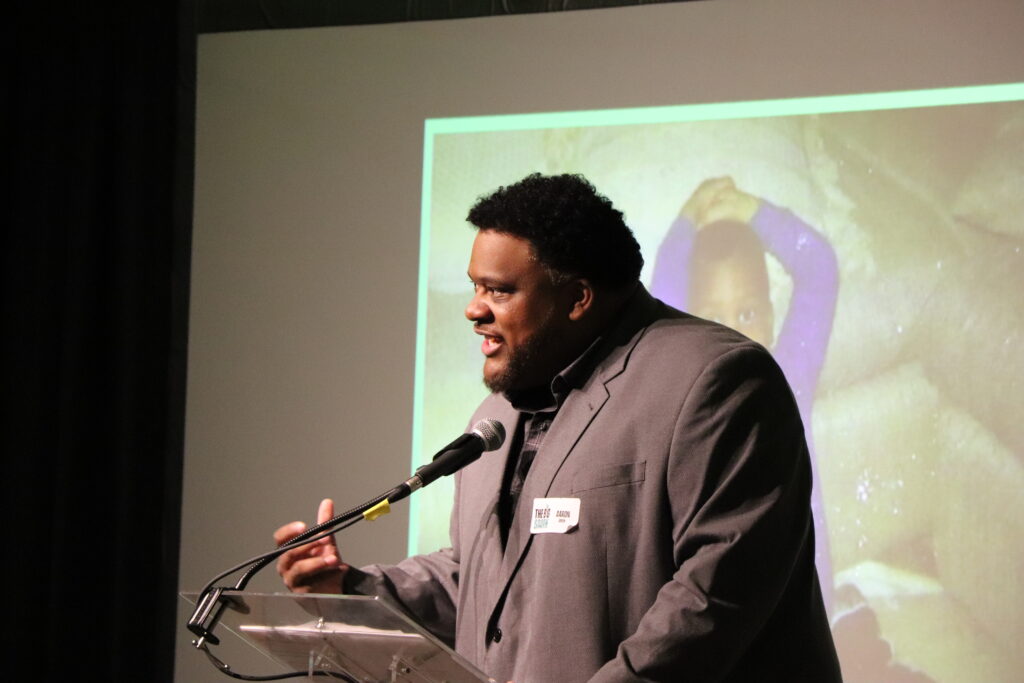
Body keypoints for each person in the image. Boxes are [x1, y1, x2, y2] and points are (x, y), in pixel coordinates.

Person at [275, 173, 840, 682]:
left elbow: (715, 596)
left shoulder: (716, 379)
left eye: (499, 290)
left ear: (577, 299)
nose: (474, 309)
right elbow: (481, 582)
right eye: (475, 287)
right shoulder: (495, 418)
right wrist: (350, 589)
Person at [649, 176, 839, 611]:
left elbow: (820, 270)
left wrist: (756, 213)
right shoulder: (684, 396)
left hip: (800, 612)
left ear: (771, 319)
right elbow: (662, 304)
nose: (733, 332)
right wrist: (686, 223)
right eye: (714, 317)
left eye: (748, 313)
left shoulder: (790, 378)